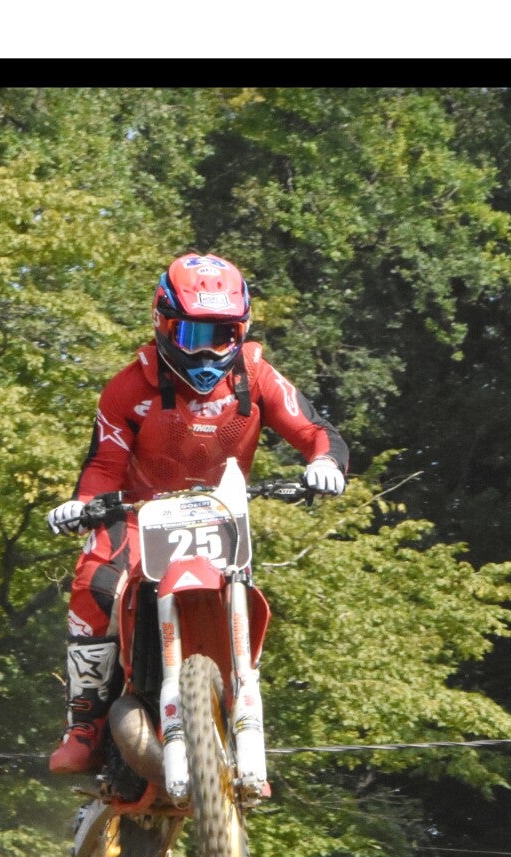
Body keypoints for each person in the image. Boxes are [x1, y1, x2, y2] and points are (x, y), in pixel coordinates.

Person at [45, 253, 351, 774]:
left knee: (254, 592)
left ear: (242, 330)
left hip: (221, 513)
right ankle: (85, 723)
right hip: (141, 515)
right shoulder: (129, 388)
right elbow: (103, 463)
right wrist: (84, 505)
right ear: (162, 325)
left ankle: (238, 712)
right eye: (190, 335)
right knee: (96, 580)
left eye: (222, 334)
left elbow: (315, 430)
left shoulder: (256, 376)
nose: (206, 351)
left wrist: (324, 463)